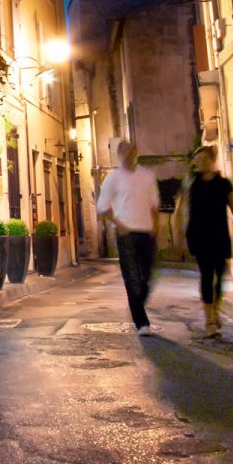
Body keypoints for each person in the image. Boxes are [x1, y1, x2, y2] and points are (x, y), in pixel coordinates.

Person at [173, 144, 233, 339]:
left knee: (220, 275)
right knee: (207, 275)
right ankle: (209, 321)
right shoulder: (190, 183)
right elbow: (179, 210)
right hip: (198, 236)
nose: (202, 163)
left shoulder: (223, 184)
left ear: (212, 160)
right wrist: (178, 236)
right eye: (198, 160)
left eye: (205, 159)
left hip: (219, 235)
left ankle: (215, 309)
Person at [95, 139, 162, 336]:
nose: (127, 154)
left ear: (136, 152)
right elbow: (103, 207)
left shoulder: (147, 176)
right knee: (132, 277)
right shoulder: (113, 178)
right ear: (119, 154)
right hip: (125, 234)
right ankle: (142, 322)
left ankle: (136, 304)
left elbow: (154, 205)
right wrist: (120, 225)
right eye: (123, 151)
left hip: (146, 232)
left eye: (130, 150)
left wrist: (156, 226)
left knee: (147, 276)